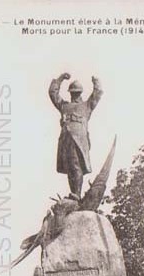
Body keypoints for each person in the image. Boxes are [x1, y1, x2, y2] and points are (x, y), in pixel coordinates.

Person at [48, 72, 103, 201]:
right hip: (66, 139)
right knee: (70, 168)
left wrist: (96, 81)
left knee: (76, 166)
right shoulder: (64, 106)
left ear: (79, 93)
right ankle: (74, 193)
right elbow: (53, 93)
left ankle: (77, 194)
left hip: (79, 140)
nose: (74, 95)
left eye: (76, 93)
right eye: (73, 93)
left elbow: (98, 93)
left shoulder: (86, 106)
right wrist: (60, 78)